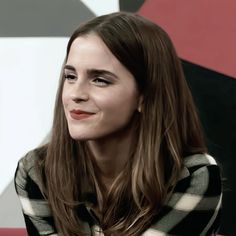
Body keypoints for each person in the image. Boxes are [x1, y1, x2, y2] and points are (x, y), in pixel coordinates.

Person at [14, 12, 222, 236]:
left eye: (100, 80)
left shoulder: (193, 177)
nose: (76, 94)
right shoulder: (36, 172)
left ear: (145, 95)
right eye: (70, 76)